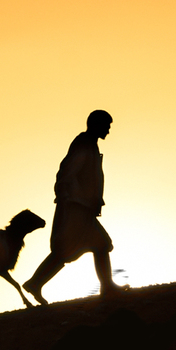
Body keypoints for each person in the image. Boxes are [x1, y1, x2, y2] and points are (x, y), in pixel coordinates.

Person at [23, 110, 123, 305]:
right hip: (76, 209)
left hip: (80, 208)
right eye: (106, 126)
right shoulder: (84, 144)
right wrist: (72, 199)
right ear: (97, 124)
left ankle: (36, 283)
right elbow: (67, 173)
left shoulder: (89, 145)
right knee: (84, 247)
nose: (108, 130)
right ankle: (107, 287)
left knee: (89, 246)